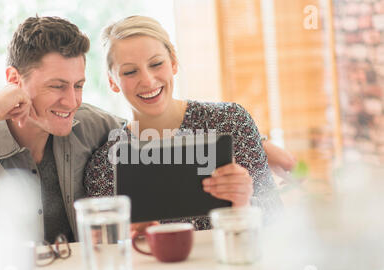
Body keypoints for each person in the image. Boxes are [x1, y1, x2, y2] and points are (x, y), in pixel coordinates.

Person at [84, 15, 284, 231]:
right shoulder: (106, 165)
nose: (148, 80)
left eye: (156, 63)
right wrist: (134, 235)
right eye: (130, 71)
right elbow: (108, 248)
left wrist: (243, 203)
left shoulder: (230, 121)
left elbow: (277, 223)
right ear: (113, 81)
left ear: (173, 62)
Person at [0, 16, 124, 243]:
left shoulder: (94, 126)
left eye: (78, 86)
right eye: (57, 86)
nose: (71, 101)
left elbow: (155, 144)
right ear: (14, 79)